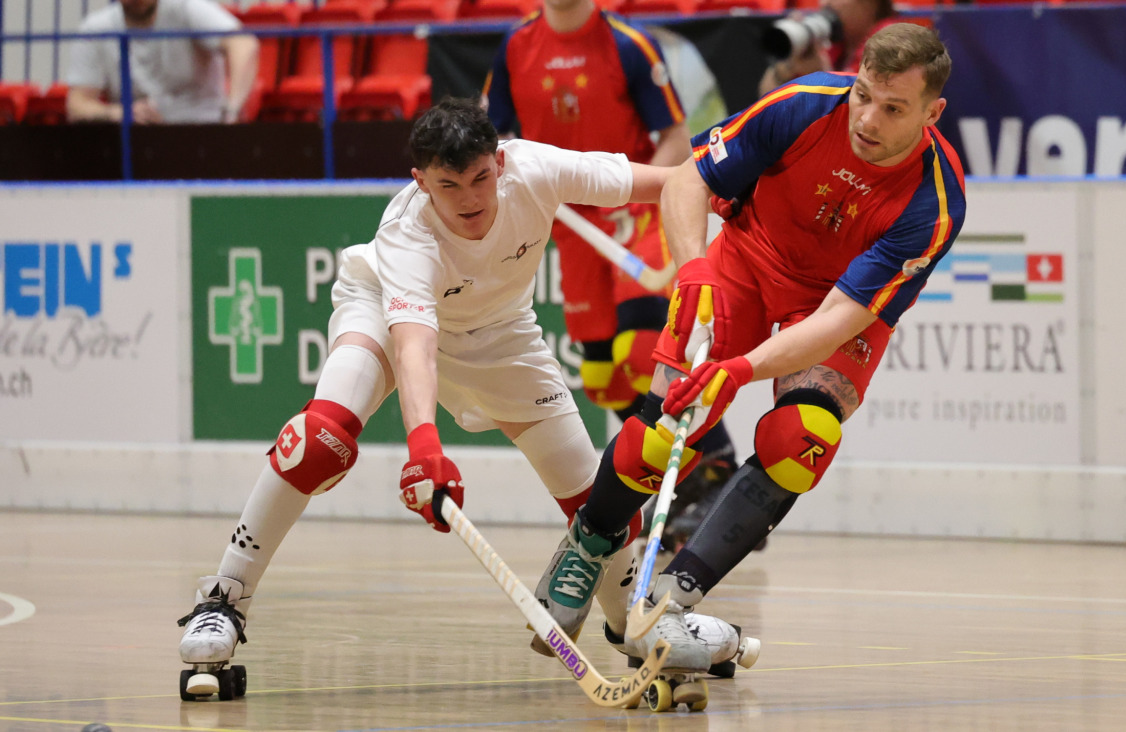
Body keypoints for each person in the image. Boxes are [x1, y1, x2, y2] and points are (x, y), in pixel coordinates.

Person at [175, 98, 742, 701]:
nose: (471, 199)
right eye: (449, 185)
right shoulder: (407, 235)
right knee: (322, 438)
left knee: (600, 498)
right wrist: (424, 445)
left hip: (503, 334)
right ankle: (223, 599)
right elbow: (414, 345)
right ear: (420, 183)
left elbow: (673, 180)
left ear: (499, 161)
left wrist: (734, 191)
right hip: (382, 310)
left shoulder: (535, 168)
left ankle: (638, 619)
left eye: (480, 178)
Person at [535, 23, 967, 673]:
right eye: (864, 96)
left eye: (894, 108)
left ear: (933, 113)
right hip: (743, 262)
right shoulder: (803, 104)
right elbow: (687, 181)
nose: (868, 120)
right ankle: (588, 544)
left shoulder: (935, 202)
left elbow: (840, 317)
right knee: (666, 423)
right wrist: (693, 267)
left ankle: (672, 601)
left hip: (831, 308)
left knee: (802, 441)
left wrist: (740, 370)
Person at [483, 0, 740, 551]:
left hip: (633, 213)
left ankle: (716, 461)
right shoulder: (515, 49)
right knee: (601, 376)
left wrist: (660, 189)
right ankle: (678, 465)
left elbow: (674, 135)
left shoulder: (628, 46)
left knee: (642, 346)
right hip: (571, 227)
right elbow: (493, 138)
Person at [67, 0, 258, 124]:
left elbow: (244, 44)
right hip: (135, 142)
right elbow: (76, 105)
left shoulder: (186, 7)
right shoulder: (95, 28)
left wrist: (233, 110)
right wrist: (118, 113)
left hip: (205, 134)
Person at [758, 0, 917, 96]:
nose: (826, 3)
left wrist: (821, 74)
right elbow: (765, 97)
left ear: (871, 4)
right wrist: (787, 64)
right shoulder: (833, 41)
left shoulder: (895, 43)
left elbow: (866, 116)